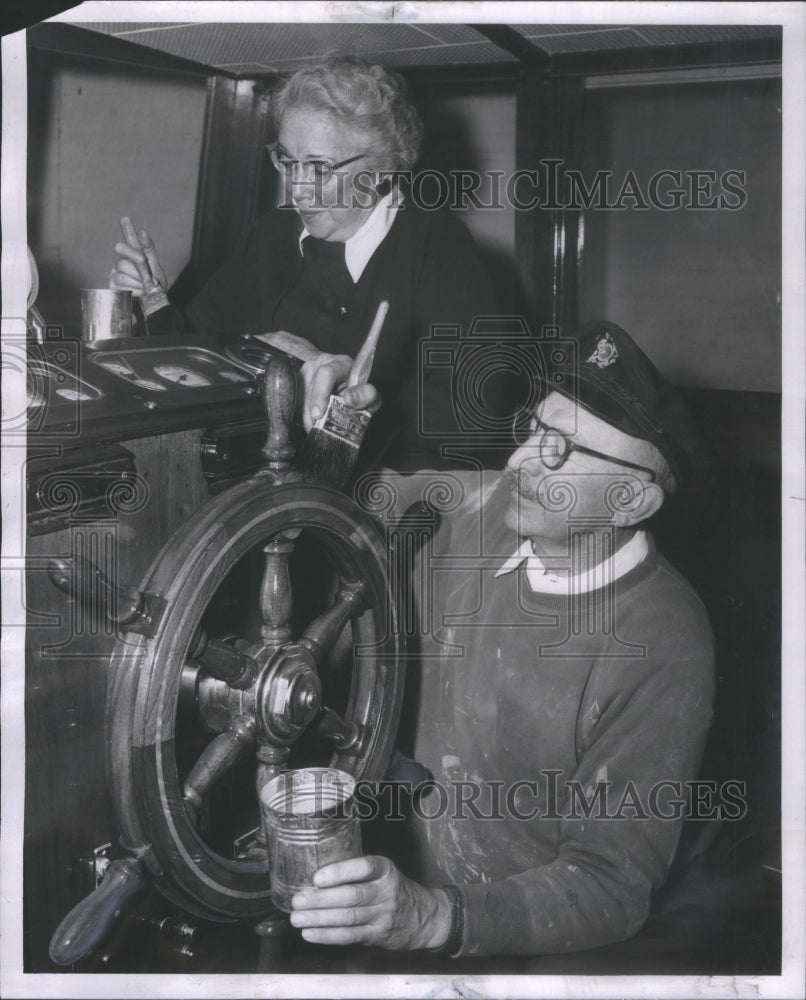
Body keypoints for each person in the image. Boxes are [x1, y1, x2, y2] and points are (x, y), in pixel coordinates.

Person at [285, 320, 716, 957]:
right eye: (535, 430)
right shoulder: (476, 506)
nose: (517, 460)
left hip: (507, 943)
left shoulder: (664, 644)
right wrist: (330, 430)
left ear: (630, 499)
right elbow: (330, 507)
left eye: (559, 451)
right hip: (370, 876)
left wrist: (431, 918)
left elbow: (607, 884)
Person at [109, 58, 500, 470]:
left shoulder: (435, 245)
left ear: (381, 169)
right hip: (252, 478)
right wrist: (152, 300)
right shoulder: (271, 236)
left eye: (320, 168)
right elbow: (196, 357)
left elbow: (474, 416)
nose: (297, 188)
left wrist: (355, 395)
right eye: (288, 161)